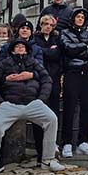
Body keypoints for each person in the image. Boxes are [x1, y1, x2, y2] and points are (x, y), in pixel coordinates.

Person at [0, 38, 64, 175]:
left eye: (22, 46)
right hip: (9, 104)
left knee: (52, 119)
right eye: (17, 46)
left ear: (27, 50)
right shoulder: (3, 64)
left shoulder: (34, 63)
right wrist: (0, 103)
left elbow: (47, 80)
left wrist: (41, 99)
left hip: (33, 103)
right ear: (12, 50)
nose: (20, 48)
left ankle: (48, 159)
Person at [60, 8, 88, 158]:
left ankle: (84, 142)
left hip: (87, 74)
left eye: (83, 17)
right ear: (73, 18)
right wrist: (84, 46)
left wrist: (80, 50)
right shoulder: (65, 33)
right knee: (69, 108)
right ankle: (67, 142)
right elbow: (67, 49)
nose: (80, 18)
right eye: (78, 16)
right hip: (72, 73)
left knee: (86, 109)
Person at [32, 15, 62, 160]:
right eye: (45, 24)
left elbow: (58, 54)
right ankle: (39, 149)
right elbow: (36, 53)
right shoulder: (35, 40)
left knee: (54, 114)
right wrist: (48, 51)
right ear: (41, 25)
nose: (48, 27)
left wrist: (46, 51)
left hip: (54, 80)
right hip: (40, 82)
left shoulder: (56, 39)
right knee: (39, 115)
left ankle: (52, 146)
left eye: (51, 24)